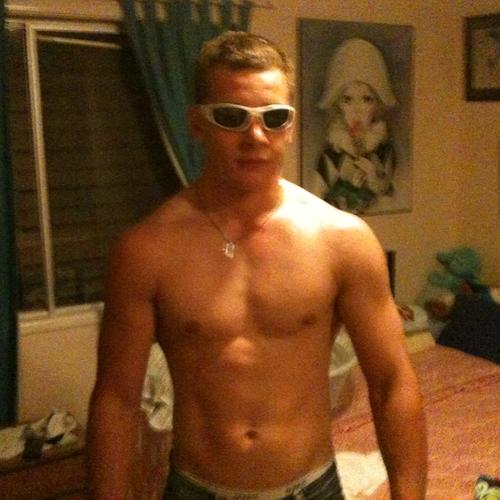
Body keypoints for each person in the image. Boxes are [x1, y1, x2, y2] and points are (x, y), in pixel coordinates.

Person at [87, 31, 427, 499]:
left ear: (291, 125)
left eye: (274, 117)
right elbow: (116, 401)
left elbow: (392, 383)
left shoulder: (343, 241)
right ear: (197, 124)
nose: (255, 135)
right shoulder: (146, 250)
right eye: (232, 117)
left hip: (312, 488)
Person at [315, 38, 397, 214]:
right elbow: (314, 210)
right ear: (338, 105)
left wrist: (375, 182)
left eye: (366, 99)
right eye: (347, 100)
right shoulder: (329, 158)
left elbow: (394, 203)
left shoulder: (386, 153)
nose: (356, 111)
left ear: (377, 105)